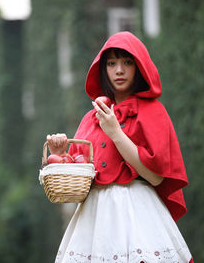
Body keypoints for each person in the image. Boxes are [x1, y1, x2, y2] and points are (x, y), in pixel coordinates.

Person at [46, 31, 194, 263]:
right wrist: (59, 157)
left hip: (138, 218)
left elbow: (155, 177)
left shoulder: (152, 111)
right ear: (103, 69)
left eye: (127, 62)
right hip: (93, 224)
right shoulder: (91, 118)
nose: (119, 70)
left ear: (139, 67)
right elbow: (79, 182)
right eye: (112, 63)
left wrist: (116, 132)